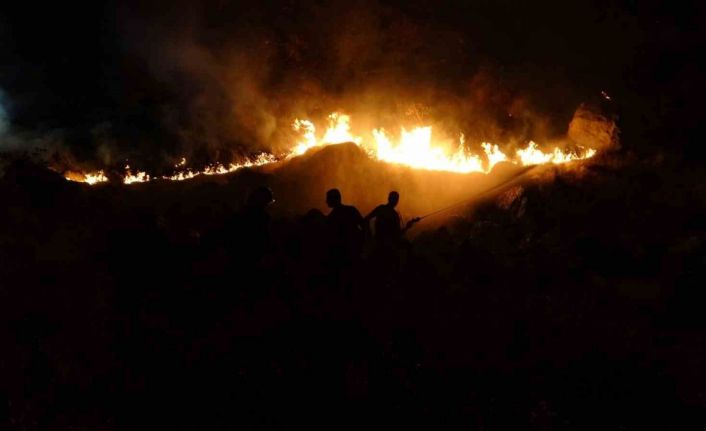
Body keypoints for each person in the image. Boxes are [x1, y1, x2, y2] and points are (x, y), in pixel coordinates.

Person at [364, 191, 420, 272]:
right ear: (396, 201)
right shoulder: (394, 215)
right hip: (389, 245)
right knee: (408, 246)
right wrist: (407, 227)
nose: (396, 201)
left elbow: (366, 219)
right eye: (396, 199)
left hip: (379, 242)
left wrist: (370, 236)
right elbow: (397, 235)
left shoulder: (381, 208)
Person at [324, 188, 365, 265]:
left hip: (341, 256)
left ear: (334, 199)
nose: (326, 201)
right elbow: (364, 225)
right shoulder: (351, 210)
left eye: (328, 198)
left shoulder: (331, 218)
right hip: (354, 252)